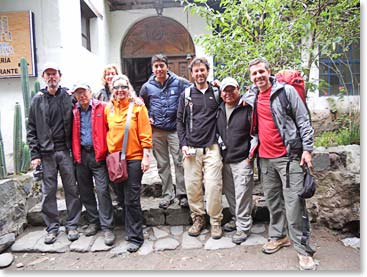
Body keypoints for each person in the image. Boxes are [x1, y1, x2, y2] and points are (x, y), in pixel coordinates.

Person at [248, 58, 316, 270]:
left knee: (294, 203)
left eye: (261, 72)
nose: (258, 76)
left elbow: (303, 120)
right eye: (254, 73)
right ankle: (279, 236)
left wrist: (307, 150)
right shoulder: (253, 94)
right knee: (273, 201)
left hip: (289, 157)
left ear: (269, 72)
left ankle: (303, 249)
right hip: (265, 159)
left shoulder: (286, 92)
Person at [27, 62, 82, 244]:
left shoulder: (68, 96)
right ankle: (52, 228)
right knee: (48, 192)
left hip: (65, 151)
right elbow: (31, 128)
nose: (51, 77)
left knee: (71, 189)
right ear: (43, 77)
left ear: (60, 75)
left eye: (54, 74)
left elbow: (85, 104)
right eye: (48, 74)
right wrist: (35, 155)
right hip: (46, 154)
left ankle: (72, 225)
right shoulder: (37, 99)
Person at [176, 57, 223, 239]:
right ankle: (198, 218)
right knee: (193, 187)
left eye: (202, 70)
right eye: (196, 71)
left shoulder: (217, 92)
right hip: (192, 148)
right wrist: (183, 144)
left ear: (207, 70)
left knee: (213, 186)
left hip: (212, 147)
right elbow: (179, 121)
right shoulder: (186, 95)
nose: (199, 73)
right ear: (192, 73)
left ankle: (216, 222)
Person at [105, 74, 152, 252]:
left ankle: (135, 237)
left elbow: (145, 132)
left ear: (129, 88)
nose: (120, 90)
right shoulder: (108, 109)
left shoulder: (138, 108)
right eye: (116, 87)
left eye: (123, 87)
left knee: (131, 198)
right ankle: (132, 225)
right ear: (112, 90)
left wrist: (146, 156)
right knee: (121, 197)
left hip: (133, 157)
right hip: (114, 159)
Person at [140, 54, 190, 209]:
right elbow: (141, 105)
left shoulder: (180, 83)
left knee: (180, 162)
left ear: (167, 66)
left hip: (175, 129)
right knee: (162, 164)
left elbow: (195, 90)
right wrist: (148, 116)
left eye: (162, 65)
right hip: (157, 131)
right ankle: (168, 194)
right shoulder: (147, 87)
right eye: (156, 66)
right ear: (152, 68)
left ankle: (182, 194)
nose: (159, 69)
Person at [71, 82, 115, 246]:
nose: (82, 96)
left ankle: (107, 227)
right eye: (78, 93)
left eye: (84, 92)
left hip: (98, 155)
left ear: (90, 92)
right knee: (85, 191)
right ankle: (93, 221)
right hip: (81, 155)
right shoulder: (73, 110)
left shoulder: (102, 107)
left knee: (102, 191)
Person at [216, 77, 256, 244]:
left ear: (238, 90)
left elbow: (255, 132)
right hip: (225, 159)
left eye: (232, 90)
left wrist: (250, 155)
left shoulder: (247, 108)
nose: (228, 93)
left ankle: (243, 227)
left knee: (242, 195)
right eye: (225, 90)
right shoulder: (218, 110)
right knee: (231, 194)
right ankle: (236, 218)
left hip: (242, 159)